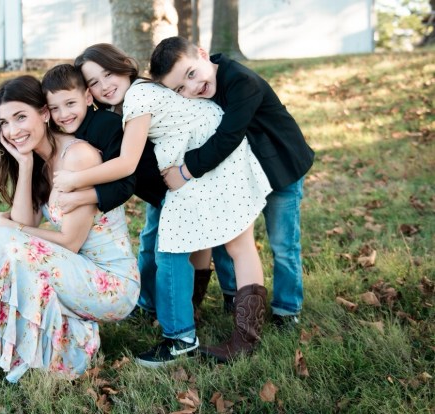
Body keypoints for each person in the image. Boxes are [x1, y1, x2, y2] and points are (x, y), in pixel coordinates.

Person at [53, 43, 272, 367]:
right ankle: (192, 317)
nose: (104, 85)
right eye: (95, 82)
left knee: (180, 248)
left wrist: (74, 180)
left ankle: (188, 337)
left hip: (214, 164)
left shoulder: (139, 97)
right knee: (192, 242)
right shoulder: (132, 100)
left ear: (125, 66)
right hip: (202, 164)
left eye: (108, 74)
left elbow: (127, 164)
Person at [0, 75, 140, 383]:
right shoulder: (38, 159)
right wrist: (24, 165)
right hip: (77, 271)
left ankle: (67, 339)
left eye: (21, 117)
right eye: (5, 122)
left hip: (112, 284)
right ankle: (70, 332)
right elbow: (29, 221)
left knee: (3, 244)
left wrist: (9, 227)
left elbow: (69, 242)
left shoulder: (77, 156)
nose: (13, 130)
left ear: (45, 114)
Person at [149, 36, 315, 360]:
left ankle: (286, 309)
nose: (192, 87)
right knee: (226, 237)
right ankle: (214, 305)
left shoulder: (242, 82)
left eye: (192, 74)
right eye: (180, 88)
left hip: (281, 167)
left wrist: (185, 171)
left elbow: (227, 137)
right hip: (246, 171)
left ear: (201, 53)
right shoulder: (202, 87)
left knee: (283, 245)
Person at [41, 63, 136, 214]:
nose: (64, 114)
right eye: (55, 108)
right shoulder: (77, 132)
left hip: (171, 190)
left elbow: (126, 185)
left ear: (88, 98)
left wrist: (78, 197)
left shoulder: (105, 126)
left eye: (70, 103)